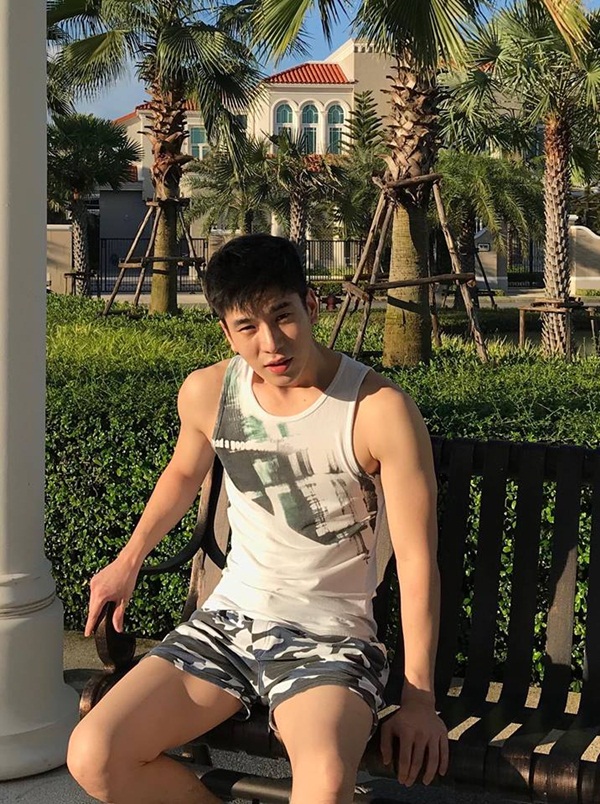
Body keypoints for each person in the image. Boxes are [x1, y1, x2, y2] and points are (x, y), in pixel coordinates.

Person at [67, 234, 448, 804]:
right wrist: (128, 561)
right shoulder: (209, 392)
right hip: (227, 624)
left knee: (323, 785)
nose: (270, 343)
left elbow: (417, 560)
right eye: (247, 326)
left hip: (329, 638)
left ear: (311, 305)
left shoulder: (376, 410)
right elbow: (182, 474)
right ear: (226, 331)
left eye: (283, 315)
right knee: (94, 754)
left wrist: (419, 699)